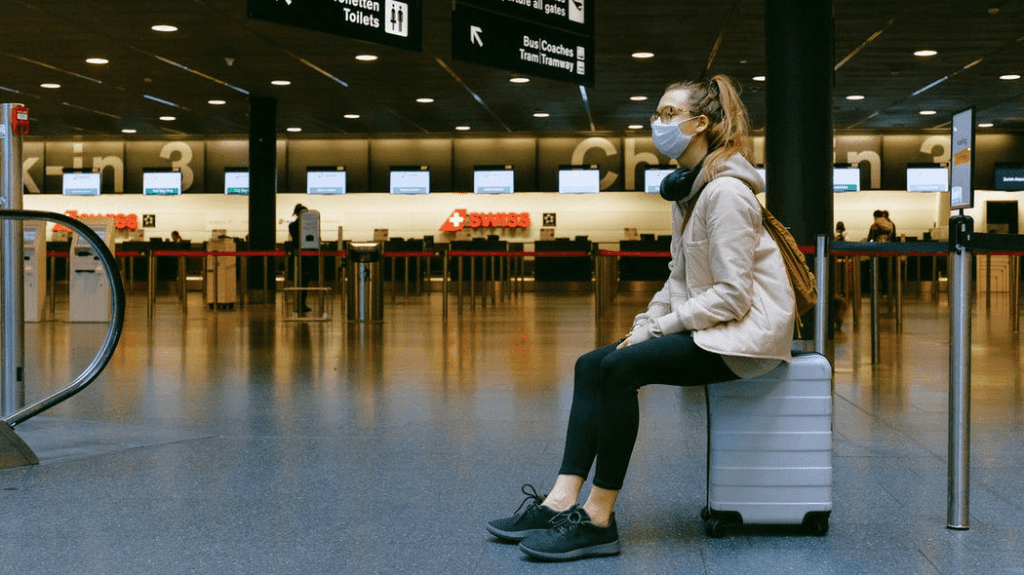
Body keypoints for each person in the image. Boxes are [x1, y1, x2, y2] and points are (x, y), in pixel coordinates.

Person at [486, 75, 796, 561]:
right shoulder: (691, 192)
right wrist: (644, 324)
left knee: (620, 368)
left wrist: (663, 329)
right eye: (657, 113)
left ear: (701, 125)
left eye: (669, 114)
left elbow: (734, 297)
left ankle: (597, 518)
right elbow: (679, 277)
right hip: (713, 327)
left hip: (743, 339)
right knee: (592, 364)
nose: (658, 123)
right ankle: (559, 500)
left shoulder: (727, 194)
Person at [288, 204, 313, 313]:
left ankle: (300, 303)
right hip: (304, 257)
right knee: (303, 281)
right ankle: (300, 303)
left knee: (301, 280)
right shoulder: (298, 226)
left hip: (298, 256)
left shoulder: (292, 225)